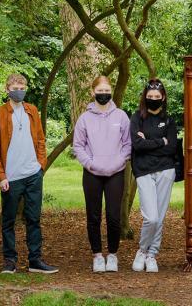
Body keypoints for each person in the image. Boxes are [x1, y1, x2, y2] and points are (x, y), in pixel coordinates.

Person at [0, 73, 58, 274]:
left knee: (34, 218)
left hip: (33, 174)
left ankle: (35, 260)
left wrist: (40, 165)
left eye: (22, 86)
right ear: (7, 89)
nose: (19, 90)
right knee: (8, 220)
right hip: (11, 177)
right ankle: (10, 261)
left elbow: (40, 140)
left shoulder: (32, 110)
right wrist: (1, 176)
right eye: (15, 86)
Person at [72, 75, 131, 273]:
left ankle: (112, 254)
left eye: (107, 91)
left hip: (116, 172)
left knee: (114, 216)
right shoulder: (84, 118)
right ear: (93, 92)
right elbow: (78, 146)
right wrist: (90, 163)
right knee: (93, 216)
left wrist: (119, 162)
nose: (103, 94)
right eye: (100, 91)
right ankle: (97, 255)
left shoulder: (121, 116)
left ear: (111, 92)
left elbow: (128, 144)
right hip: (92, 173)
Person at [130, 79, 178, 273]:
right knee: (151, 217)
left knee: (160, 216)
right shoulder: (136, 118)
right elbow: (137, 145)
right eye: (150, 97)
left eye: (157, 97)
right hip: (143, 171)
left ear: (163, 98)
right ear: (145, 97)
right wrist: (161, 142)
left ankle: (152, 254)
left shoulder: (169, 120)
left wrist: (148, 142)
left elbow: (172, 148)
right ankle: (142, 250)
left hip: (166, 171)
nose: (153, 100)